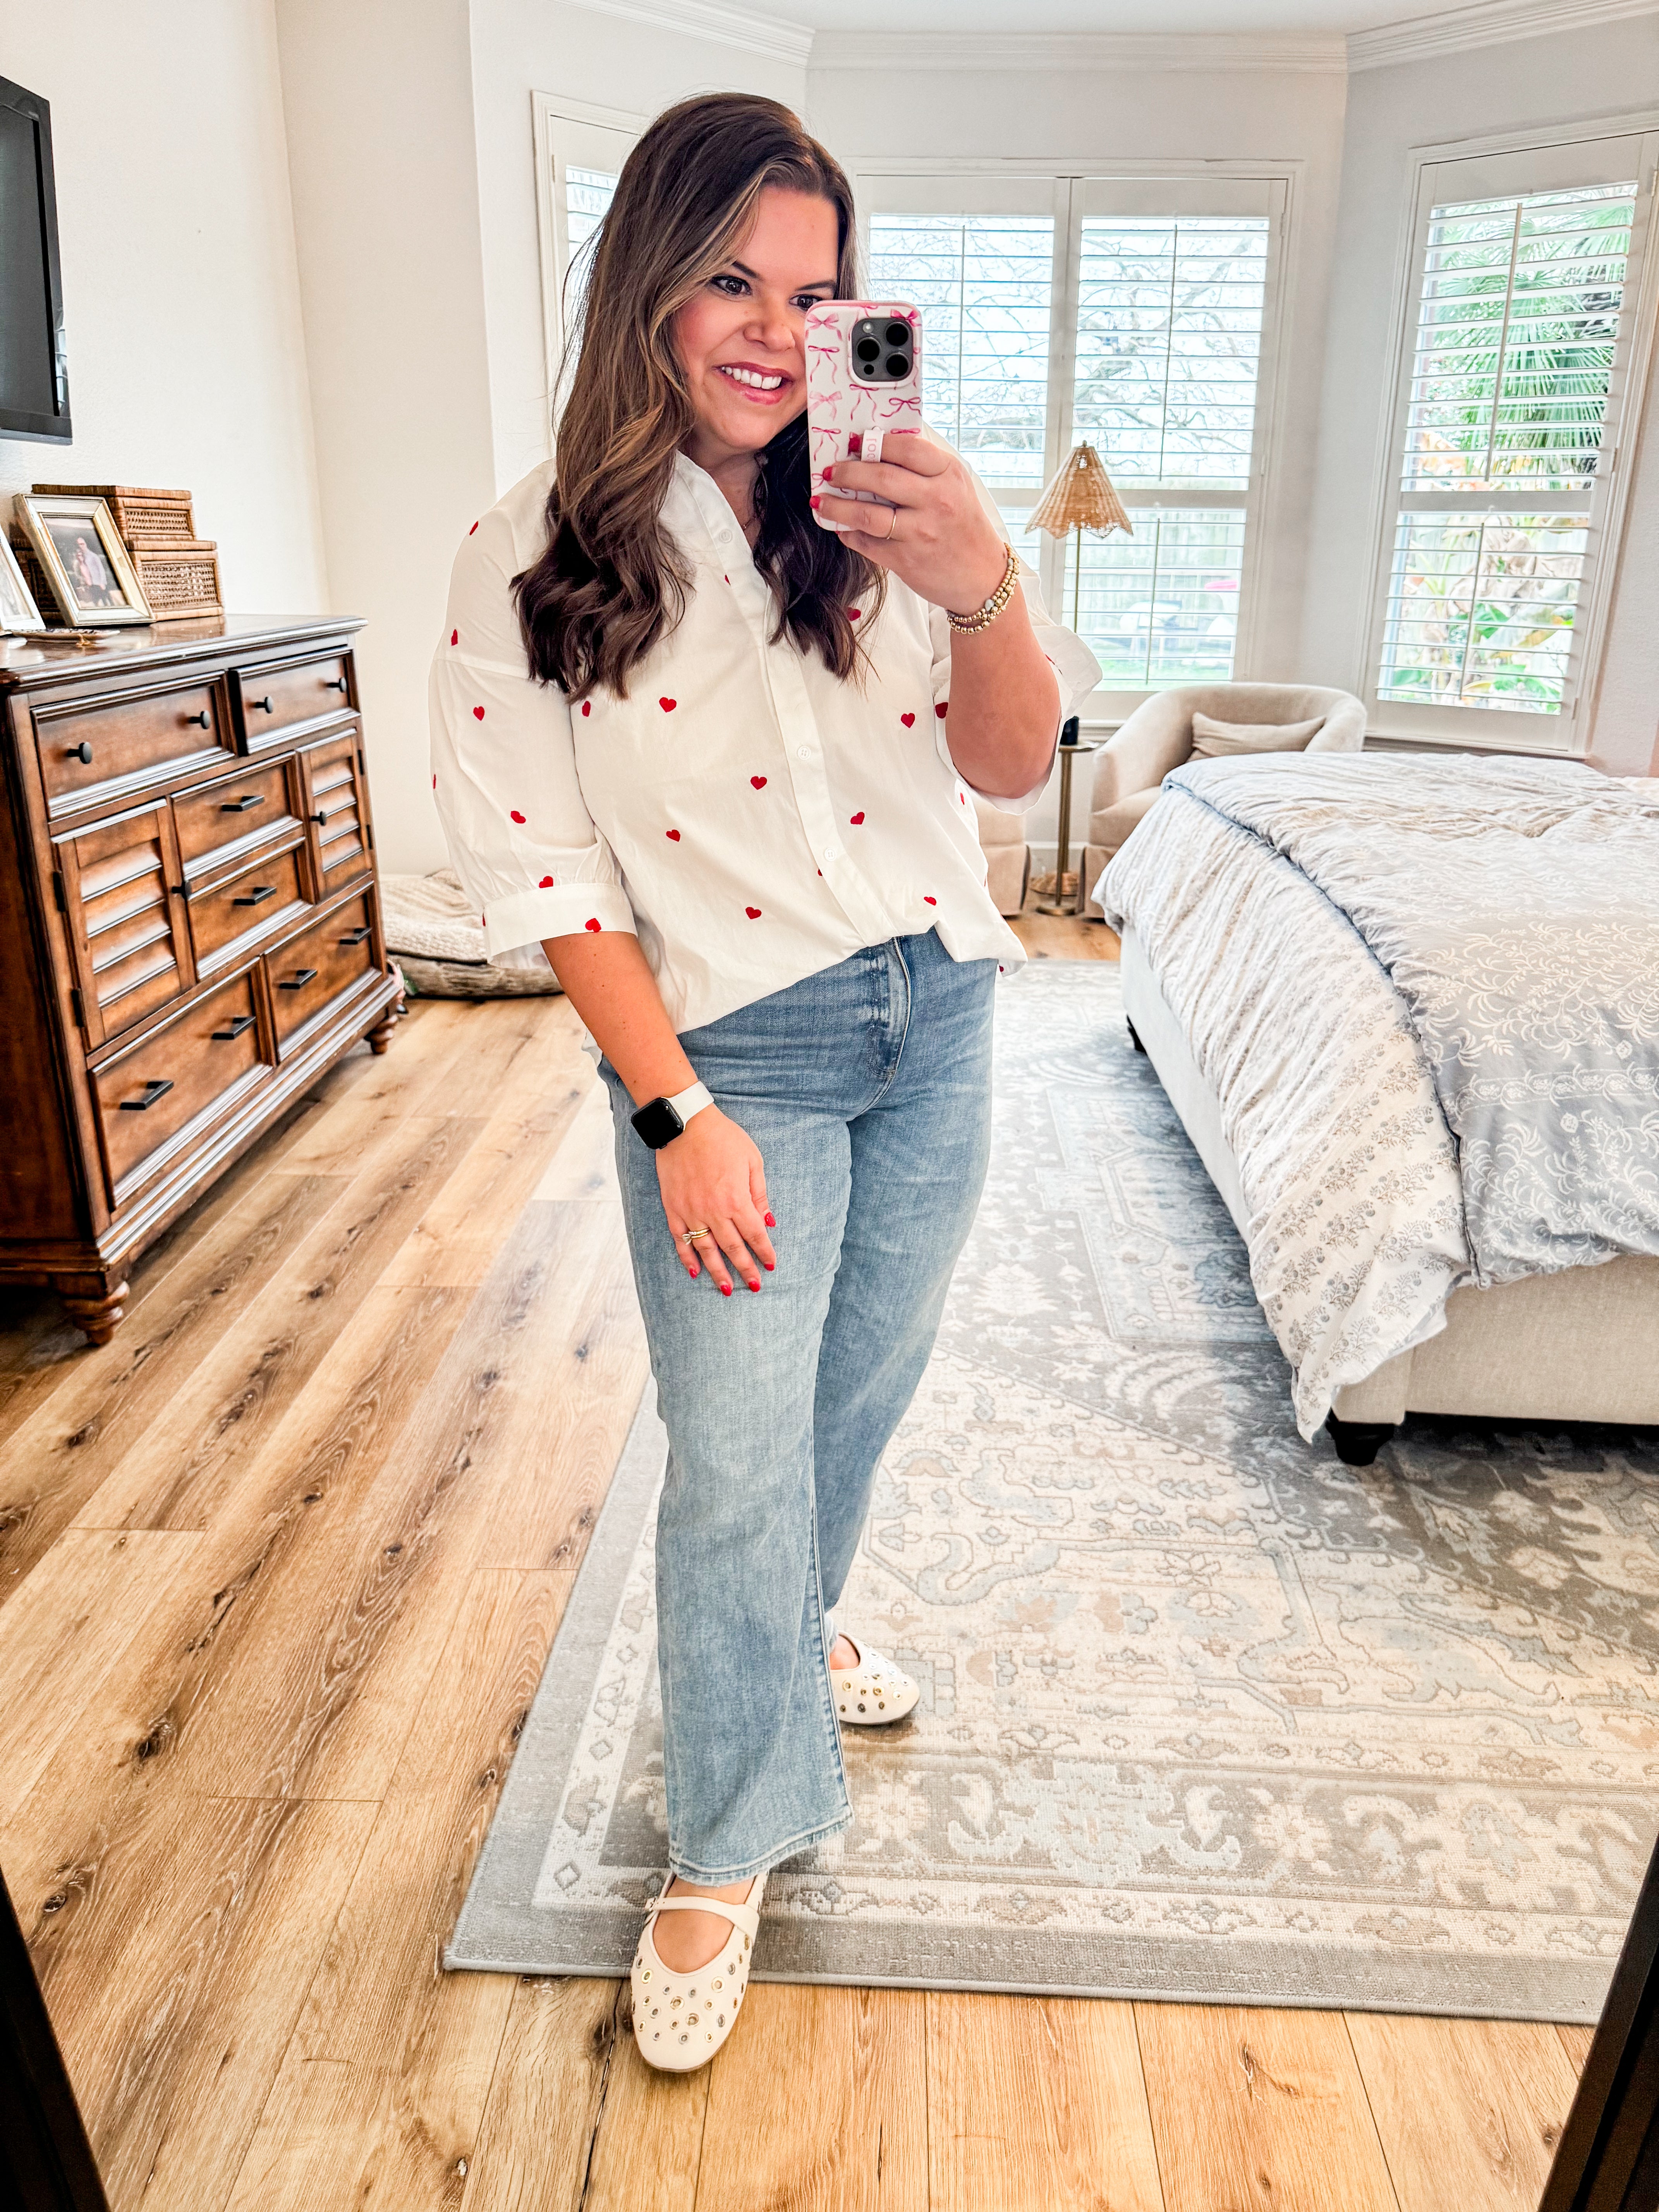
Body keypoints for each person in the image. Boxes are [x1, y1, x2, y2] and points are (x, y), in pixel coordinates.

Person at [430, 92, 1097, 2073]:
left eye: (811, 291)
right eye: (728, 274)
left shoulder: (886, 505)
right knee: (733, 1455)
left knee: (853, 1402)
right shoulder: (526, 554)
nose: (767, 325)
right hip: (738, 1047)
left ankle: (784, 1651)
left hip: (944, 1009)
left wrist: (982, 581)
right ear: (647, 280)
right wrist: (677, 1114)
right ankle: (725, 1839)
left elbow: (1004, 773)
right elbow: (550, 877)